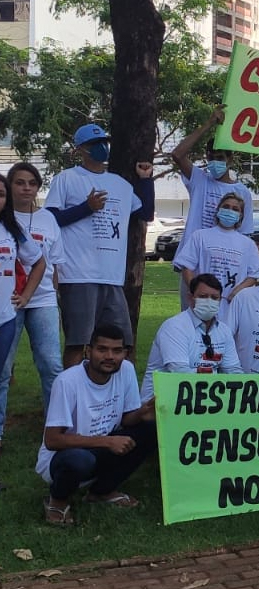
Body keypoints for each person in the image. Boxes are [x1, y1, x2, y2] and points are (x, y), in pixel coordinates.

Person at [44, 123, 154, 367]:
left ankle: (110, 399)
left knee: (119, 342)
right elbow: (50, 219)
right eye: (94, 144)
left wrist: (146, 180)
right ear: (80, 149)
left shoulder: (120, 184)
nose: (101, 148)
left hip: (112, 277)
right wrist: (86, 208)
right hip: (78, 275)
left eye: (103, 142)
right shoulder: (67, 179)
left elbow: (145, 212)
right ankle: (71, 398)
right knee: (78, 342)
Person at [38, 324, 156, 525]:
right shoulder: (67, 382)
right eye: (102, 349)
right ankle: (57, 500)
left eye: (117, 351)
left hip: (103, 447)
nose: (110, 356)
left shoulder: (126, 370)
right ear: (88, 351)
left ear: (125, 354)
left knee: (151, 430)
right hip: (65, 456)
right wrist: (107, 442)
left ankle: (102, 492)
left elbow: (127, 419)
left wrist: (143, 412)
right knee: (79, 460)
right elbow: (52, 440)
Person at [169, 107, 255, 306]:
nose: (215, 162)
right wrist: (208, 124)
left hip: (225, 265)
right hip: (195, 262)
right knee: (192, 316)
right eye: (211, 157)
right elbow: (178, 154)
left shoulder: (243, 193)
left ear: (230, 159)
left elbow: (245, 235)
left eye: (220, 157)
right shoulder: (200, 180)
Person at [3, 162, 64, 412]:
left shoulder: (48, 218)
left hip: (43, 300)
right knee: (3, 368)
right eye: (19, 182)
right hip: (8, 302)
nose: (26, 188)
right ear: (9, 186)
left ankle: (55, 425)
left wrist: (58, 301)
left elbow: (54, 265)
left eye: (32, 183)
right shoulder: (4, 218)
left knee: (51, 365)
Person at [140, 273, 243, 403]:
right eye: (203, 297)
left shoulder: (224, 331)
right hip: (159, 405)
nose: (209, 301)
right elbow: (180, 373)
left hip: (202, 402)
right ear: (190, 298)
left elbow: (233, 371)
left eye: (214, 298)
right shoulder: (174, 327)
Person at [0, 171, 45, 465]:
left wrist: (26, 296)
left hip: (4, 320)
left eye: (1, 194)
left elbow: (39, 262)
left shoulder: (12, 230)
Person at [172, 193, 259, 320]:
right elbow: (187, 266)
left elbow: (254, 275)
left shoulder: (248, 244)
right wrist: (197, 291)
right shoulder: (200, 236)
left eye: (235, 209)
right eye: (226, 206)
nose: (230, 211)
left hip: (230, 306)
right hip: (203, 304)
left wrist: (236, 292)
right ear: (218, 210)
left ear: (240, 216)